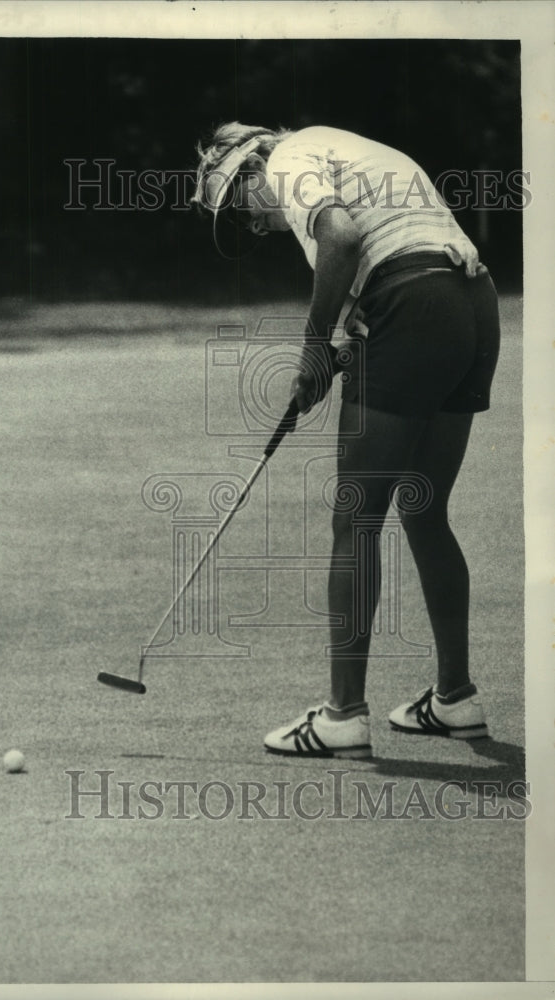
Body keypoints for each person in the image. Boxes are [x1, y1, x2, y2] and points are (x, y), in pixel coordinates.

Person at [192, 122, 500, 758]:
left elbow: (341, 235)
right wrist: (332, 355)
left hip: (414, 305)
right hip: (471, 304)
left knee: (355, 522)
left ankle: (342, 717)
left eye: (239, 209)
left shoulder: (288, 157)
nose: (251, 227)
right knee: (423, 508)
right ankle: (455, 700)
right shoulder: (343, 149)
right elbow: (380, 267)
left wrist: (310, 345)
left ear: (252, 169)